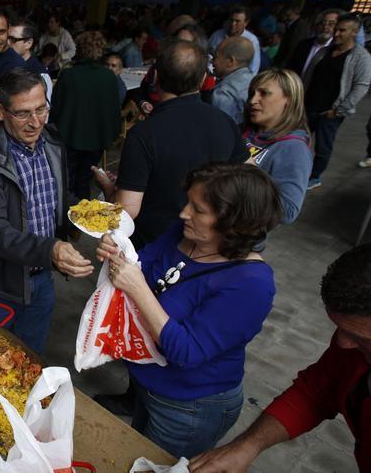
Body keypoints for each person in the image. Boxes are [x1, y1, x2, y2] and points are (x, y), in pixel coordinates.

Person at [98, 162, 281, 458]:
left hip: (188, 406)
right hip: (150, 384)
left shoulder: (250, 284)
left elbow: (185, 353)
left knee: (155, 463)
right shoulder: (184, 234)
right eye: (188, 203)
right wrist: (118, 251)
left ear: (233, 223)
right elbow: (142, 263)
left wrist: (137, 288)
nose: (184, 213)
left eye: (198, 209)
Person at [191, 243, 371, 472]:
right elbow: (317, 392)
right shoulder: (352, 348)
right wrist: (248, 445)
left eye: (361, 338)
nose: (343, 344)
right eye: (339, 329)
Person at [0, 68, 94, 354]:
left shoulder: (53, 143)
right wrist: (50, 250)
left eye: (41, 109)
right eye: (23, 113)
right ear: (0, 111)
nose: (35, 122)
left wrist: (91, 210)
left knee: (30, 360)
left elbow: (55, 198)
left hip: (42, 279)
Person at [97, 40, 249, 249]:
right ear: (203, 79)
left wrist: (107, 187)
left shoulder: (144, 133)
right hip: (207, 244)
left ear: (156, 77)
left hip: (151, 248)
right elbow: (247, 180)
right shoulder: (225, 122)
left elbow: (128, 210)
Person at [50, 31, 121, 201]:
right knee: (84, 181)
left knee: (65, 180)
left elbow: (55, 108)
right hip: (96, 140)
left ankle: (64, 218)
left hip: (69, 137)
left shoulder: (67, 75)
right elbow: (113, 111)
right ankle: (81, 220)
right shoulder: (109, 77)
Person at [303, 14, 371, 190]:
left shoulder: (361, 57)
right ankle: (298, 170)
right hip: (310, 106)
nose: (337, 33)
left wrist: (339, 110)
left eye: (342, 30)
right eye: (336, 29)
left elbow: (361, 86)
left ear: (354, 32)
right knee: (300, 139)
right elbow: (310, 75)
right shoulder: (325, 51)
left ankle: (315, 176)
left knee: (323, 147)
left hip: (330, 112)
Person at [243, 68, 313, 224]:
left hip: (238, 241)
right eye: (252, 93)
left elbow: (288, 211)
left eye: (264, 93)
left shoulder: (294, 149)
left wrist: (247, 175)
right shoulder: (241, 130)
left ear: (289, 99)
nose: (253, 100)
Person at [285, 9, 341, 84]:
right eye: (322, 23)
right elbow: (291, 67)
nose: (325, 27)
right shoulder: (303, 44)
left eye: (331, 24)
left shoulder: (337, 50)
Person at [211, 36, 255, 125]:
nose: (212, 61)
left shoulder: (224, 92)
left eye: (216, 56)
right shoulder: (256, 81)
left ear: (230, 61)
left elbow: (221, 128)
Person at [8, 18, 52, 101]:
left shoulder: (39, 74)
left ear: (28, 43)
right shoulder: (5, 64)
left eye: (12, 39)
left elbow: (43, 111)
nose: (7, 43)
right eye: (7, 38)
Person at [209, 6, 262, 74]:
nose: (233, 24)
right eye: (231, 20)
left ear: (246, 23)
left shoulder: (252, 41)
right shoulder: (217, 35)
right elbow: (207, 56)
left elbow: (253, 68)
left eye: (237, 21)